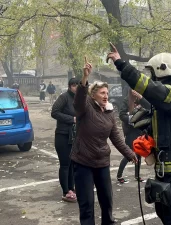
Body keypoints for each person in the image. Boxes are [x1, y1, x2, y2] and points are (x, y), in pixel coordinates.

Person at [107, 45, 171, 225]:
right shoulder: (170, 99)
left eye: (152, 73)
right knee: (165, 213)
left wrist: (121, 63)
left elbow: (148, 87)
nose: (151, 77)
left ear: (160, 70)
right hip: (166, 170)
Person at [70, 58, 137, 225]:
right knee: (86, 203)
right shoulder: (85, 107)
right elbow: (78, 100)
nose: (106, 96)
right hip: (83, 161)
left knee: (107, 198)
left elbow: (115, 137)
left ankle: (108, 222)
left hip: (102, 162)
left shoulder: (109, 113)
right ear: (93, 95)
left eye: (107, 93)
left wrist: (130, 154)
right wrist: (85, 78)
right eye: (102, 93)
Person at [51, 78, 79, 203]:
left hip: (74, 136)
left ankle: (71, 188)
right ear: (69, 86)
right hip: (62, 135)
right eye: (74, 85)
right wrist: (71, 119)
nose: (76, 87)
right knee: (65, 164)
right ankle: (65, 191)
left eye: (78, 85)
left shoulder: (79, 98)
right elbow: (54, 112)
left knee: (73, 164)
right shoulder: (64, 97)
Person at [117, 88, 150, 184]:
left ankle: (137, 175)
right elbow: (121, 115)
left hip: (141, 130)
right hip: (131, 131)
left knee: (139, 154)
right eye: (134, 90)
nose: (136, 92)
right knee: (129, 154)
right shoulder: (127, 100)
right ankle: (119, 175)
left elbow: (149, 107)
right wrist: (132, 119)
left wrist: (141, 98)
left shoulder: (142, 99)